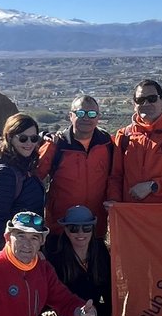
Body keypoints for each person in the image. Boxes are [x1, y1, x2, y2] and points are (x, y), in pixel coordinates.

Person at [36, 95, 114, 243]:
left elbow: (115, 177)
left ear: (98, 117)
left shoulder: (107, 144)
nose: (86, 118)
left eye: (91, 114)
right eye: (80, 113)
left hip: (94, 227)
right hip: (60, 227)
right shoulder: (56, 144)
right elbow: (35, 177)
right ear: (70, 116)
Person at [106, 79, 162, 204]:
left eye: (152, 98)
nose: (146, 103)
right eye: (140, 100)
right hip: (131, 217)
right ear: (134, 105)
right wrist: (114, 201)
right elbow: (116, 177)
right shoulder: (124, 135)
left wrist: (153, 186)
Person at [0, 114, 46, 255]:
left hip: (23, 250)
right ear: (10, 138)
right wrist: (16, 252)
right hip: (8, 253)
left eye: (34, 138)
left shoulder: (24, 165)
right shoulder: (5, 172)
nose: (29, 143)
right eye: (23, 138)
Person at [45, 205, 113, 316]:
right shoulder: (55, 256)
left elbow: (109, 289)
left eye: (86, 228)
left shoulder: (100, 251)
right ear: (65, 230)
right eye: (74, 228)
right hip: (67, 314)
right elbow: (52, 293)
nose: (80, 233)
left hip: (94, 313)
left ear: (93, 230)